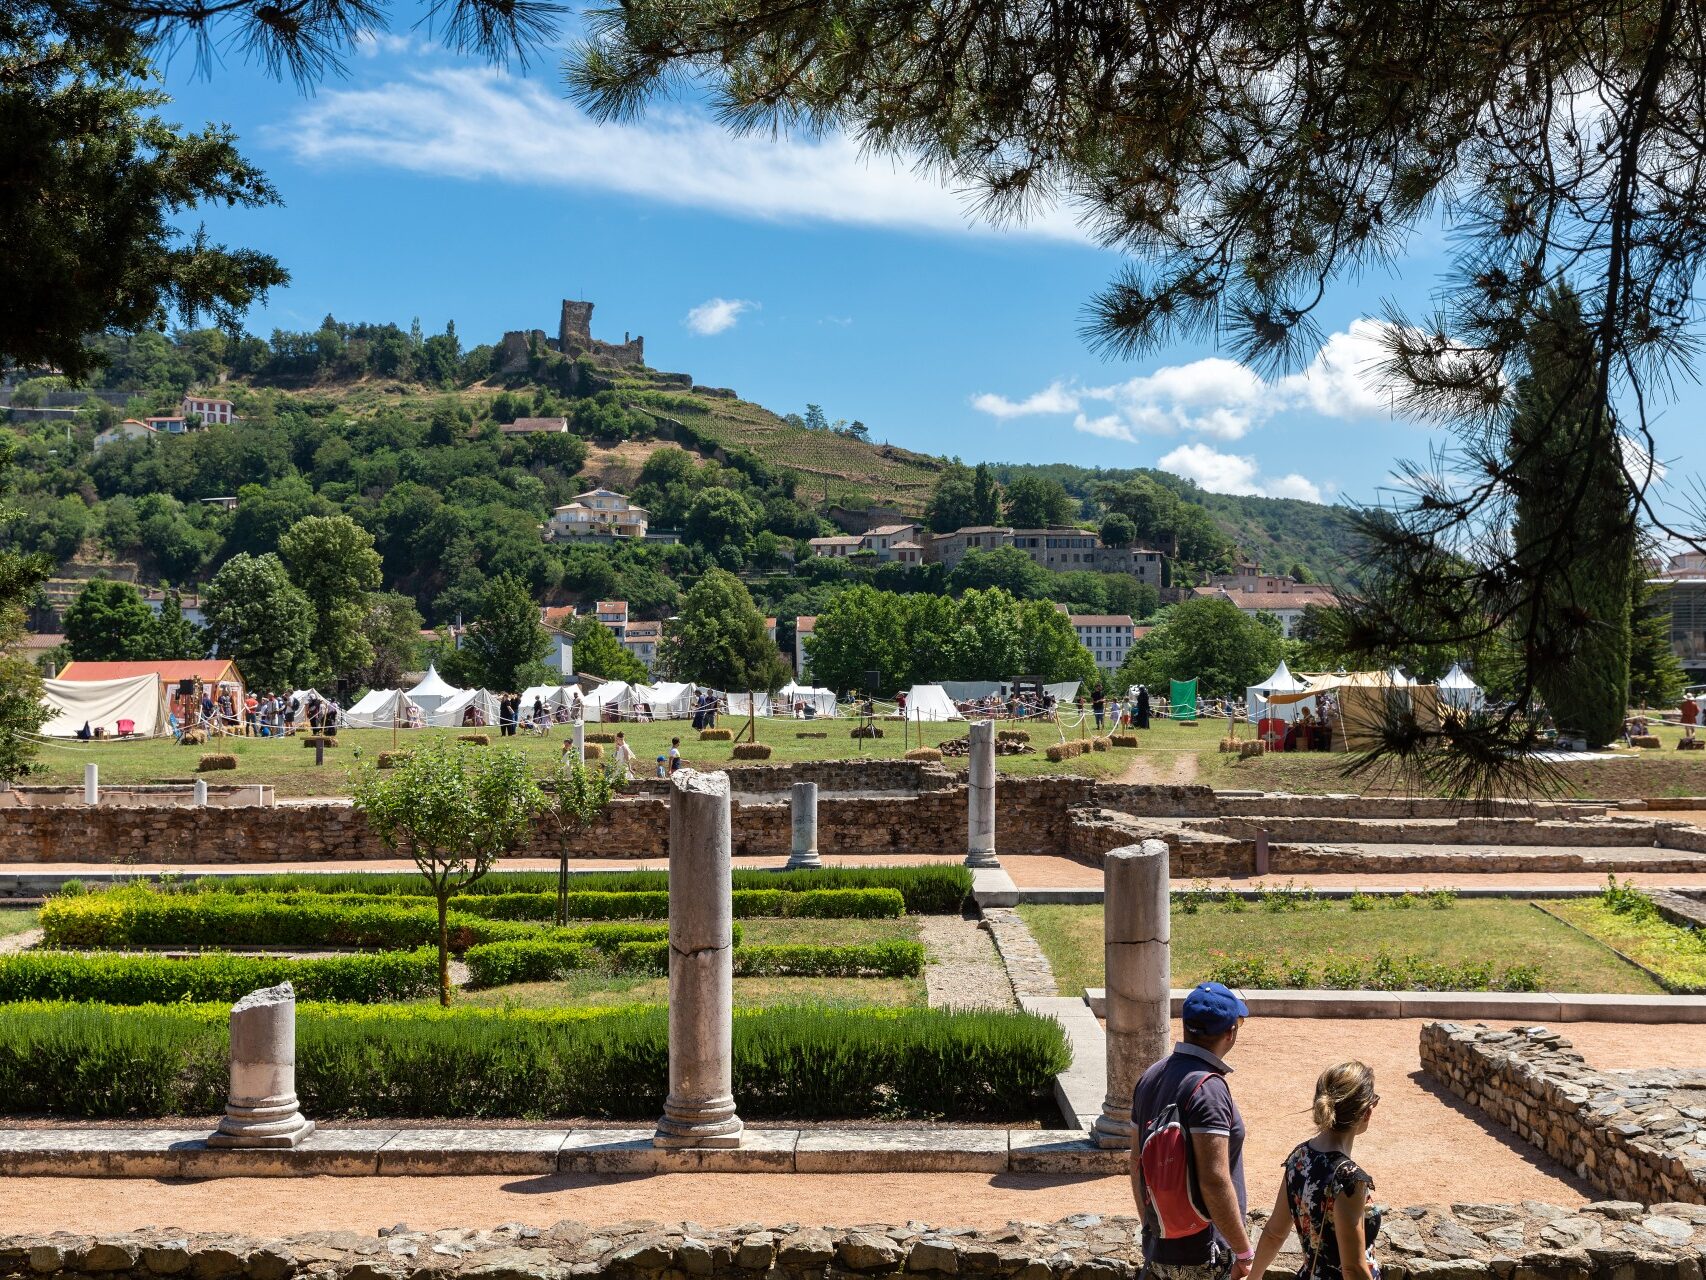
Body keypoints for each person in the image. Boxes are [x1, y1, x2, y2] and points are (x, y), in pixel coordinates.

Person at [1131, 982, 1252, 1280]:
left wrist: (1155, 1226)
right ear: (1230, 1032)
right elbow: (1213, 1179)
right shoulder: (1209, 1089)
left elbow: (1136, 1164)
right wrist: (1243, 1251)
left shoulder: (1150, 1076)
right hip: (1205, 1251)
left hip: (1160, 1247)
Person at [1248, 1061, 1381, 1280]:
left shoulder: (1299, 1158)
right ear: (1366, 1112)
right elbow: (1352, 1269)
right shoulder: (1348, 1179)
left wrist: (1253, 1278)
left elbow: (1274, 1233)